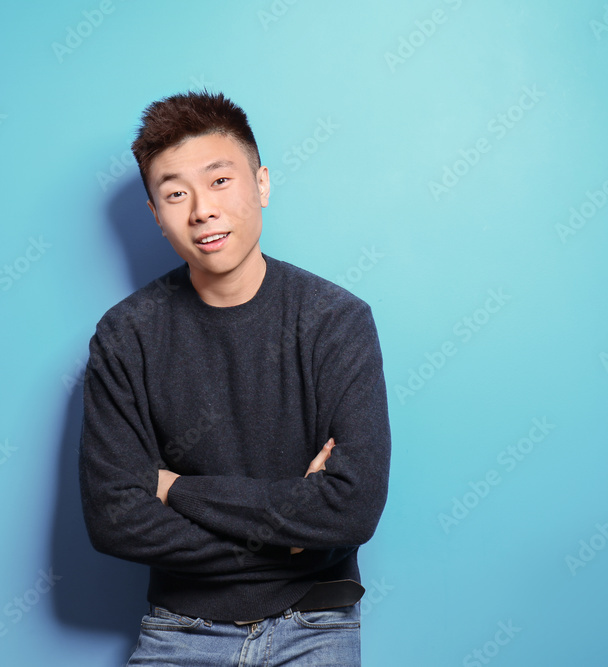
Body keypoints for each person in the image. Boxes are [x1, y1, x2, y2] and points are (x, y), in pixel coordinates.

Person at [78, 90, 391, 666]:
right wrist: (294, 543)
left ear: (262, 183)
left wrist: (173, 489)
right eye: (176, 193)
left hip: (315, 623)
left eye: (220, 181)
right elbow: (113, 518)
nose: (202, 209)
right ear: (155, 214)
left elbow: (352, 508)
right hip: (180, 629)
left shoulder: (336, 321)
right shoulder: (126, 335)